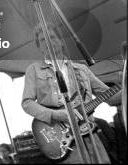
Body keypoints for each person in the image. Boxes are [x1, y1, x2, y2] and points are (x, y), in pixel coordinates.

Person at [22, 26, 122, 164]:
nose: (48, 42)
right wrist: (57, 115)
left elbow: (111, 97)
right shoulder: (34, 70)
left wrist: (124, 84)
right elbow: (27, 103)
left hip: (90, 134)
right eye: (43, 39)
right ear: (40, 47)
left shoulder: (81, 69)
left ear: (61, 41)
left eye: (52, 37)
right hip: (64, 140)